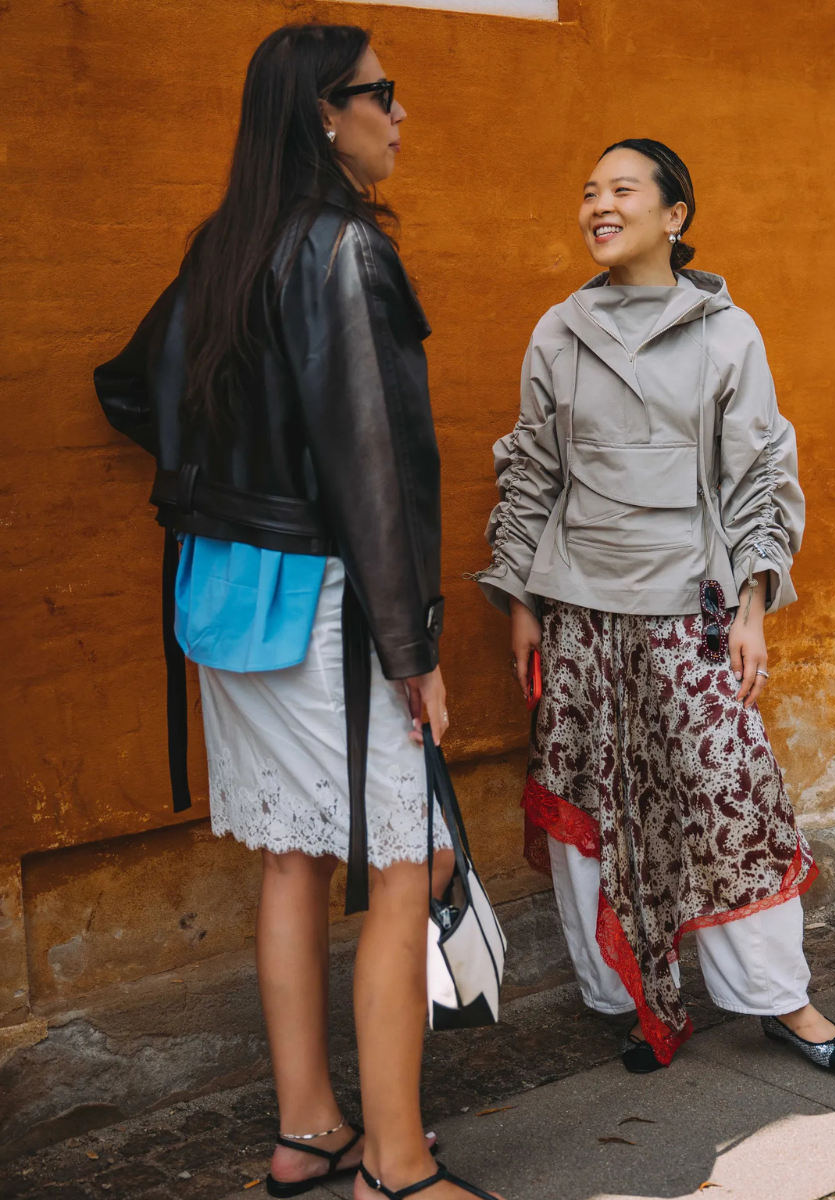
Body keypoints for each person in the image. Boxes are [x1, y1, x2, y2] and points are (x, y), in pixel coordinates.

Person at [95, 24, 499, 1200]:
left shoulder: (227, 245)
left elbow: (129, 387)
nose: (399, 113)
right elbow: (376, 471)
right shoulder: (341, 253)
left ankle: (309, 1130)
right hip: (332, 605)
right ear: (324, 113)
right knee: (399, 868)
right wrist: (414, 649)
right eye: (382, 93)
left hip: (229, 598)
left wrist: (227, 470)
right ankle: (399, 1168)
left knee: (292, 861)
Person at [473, 138, 835, 1075]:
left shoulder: (729, 333)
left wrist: (753, 606)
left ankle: (780, 999)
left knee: (730, 796)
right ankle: (627, 996)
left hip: (690, 604)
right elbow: (533, 471)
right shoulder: (558, 330)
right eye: (588, 193)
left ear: (674, 216)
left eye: (621, 190)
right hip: (577, 612)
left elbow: (758, 474)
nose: (598, 206)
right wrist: (520, 598)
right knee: (593, 799)